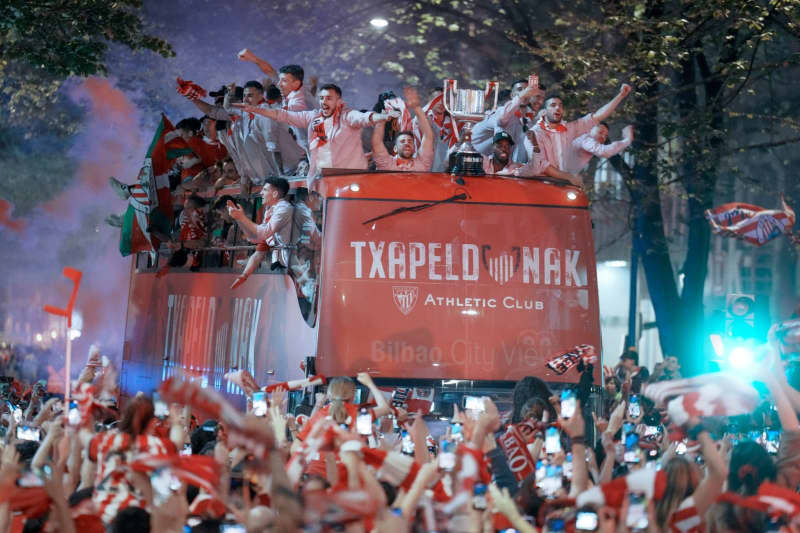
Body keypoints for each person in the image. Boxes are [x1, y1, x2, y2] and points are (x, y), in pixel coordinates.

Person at [234, 84, 391, 184]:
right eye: (322, 98)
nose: (324, 102)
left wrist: (381, 117)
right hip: (323, 179)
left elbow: (364, 118)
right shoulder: (313, 117)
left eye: (329, 98)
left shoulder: (349, 116)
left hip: (354, 177)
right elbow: (282, 115)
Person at [526, 83, 633, 184]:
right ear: (544, 111)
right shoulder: (533, 134)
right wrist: (569, 177)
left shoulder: (569, 129)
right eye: (553, 105)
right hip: (538, 184)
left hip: (562, 186)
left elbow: (598, 116)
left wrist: (621, 95)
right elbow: (540, 164)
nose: (558, 108)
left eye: (560, 105)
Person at [226, 177, 299, 289]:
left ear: (275, 194)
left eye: (264, 190)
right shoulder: (270, 210)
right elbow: (255, 239)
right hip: (280, 266)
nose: (261, 193)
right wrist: (238, 219)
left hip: (294, 267)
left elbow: (264, 233)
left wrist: (242, 217)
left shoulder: (284, 209)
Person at [472, 78, 545, 163]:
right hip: (481, 164)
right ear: (512, 95)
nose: (525, 93)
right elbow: (501, 119)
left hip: (509, 169)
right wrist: (521, 96)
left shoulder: (528, 121)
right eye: (520, 90)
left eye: (526, 90)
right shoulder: (501, 112)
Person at [371, 87, 434, 171]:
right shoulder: (386, 165)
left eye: (410, 141)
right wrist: (383, 118)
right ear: (395, 148)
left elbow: (428, 136)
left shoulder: (422, 164)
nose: (407, 143)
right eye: (402, 141)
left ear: (414, 148)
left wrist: (416, 107)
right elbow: (376, 143)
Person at [565, 123, 634, 178]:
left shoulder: (587, 146)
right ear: (590, 129)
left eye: (606, 136)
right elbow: (603, 151)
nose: (603, 137)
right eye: (600, 132)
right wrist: (628, 140)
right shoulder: (585, 140)